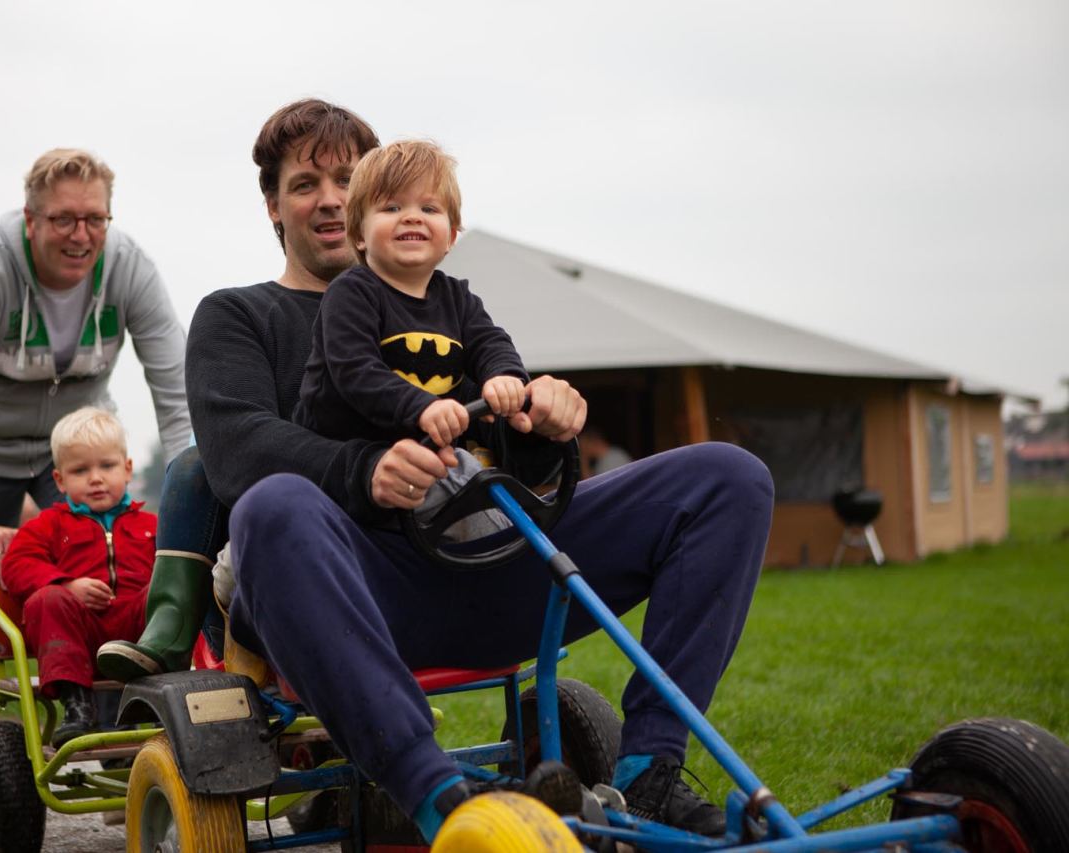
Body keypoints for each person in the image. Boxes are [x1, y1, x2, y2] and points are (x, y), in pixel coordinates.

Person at [108, 99, 773, 839]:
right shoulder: (237, 315)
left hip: (491, 562)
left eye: (346, 178)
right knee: (272, 503)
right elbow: (238, 453)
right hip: (352, 585)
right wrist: (366, 470)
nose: (329, 198)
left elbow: (495, 442)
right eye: (305, 184)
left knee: (727, 477)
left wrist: (544, 424)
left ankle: (648, 776)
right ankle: (444, 802)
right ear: (274, 204)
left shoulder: (452, 309)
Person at [0, 148, 190, 802]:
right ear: (30, 218)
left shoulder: (129, 269)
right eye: (63, 219)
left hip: (75, 450)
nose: (81, 235)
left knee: (140, 589)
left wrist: (185, 495)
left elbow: (177, 393)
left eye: (95, 218)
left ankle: (125, 714)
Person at [292, 139, 526, 537]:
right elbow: (355, 370)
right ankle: (239, 560)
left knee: (473, 482)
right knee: (298, 519)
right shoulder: (352, 293)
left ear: (451, 235)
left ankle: (501, 563)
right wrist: (423, 407)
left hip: (424, 464)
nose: (411, 218)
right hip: (347, 472)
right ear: (359, 236)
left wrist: (504, 376)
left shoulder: (458, 298)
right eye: (392, 208)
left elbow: (490, 342)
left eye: (428, 208)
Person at [1, 408, 155, 746]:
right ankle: (78, 706)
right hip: (81, 636)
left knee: (169, 587)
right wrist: (66, 584)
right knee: (47, 598)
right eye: (80, 470)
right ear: (59, 480)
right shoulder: (50, 525)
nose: (95, 478)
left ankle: (163, 701)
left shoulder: (151, 526)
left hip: (140, 636)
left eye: (107, 466)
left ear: (127, 469)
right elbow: (16, 564)